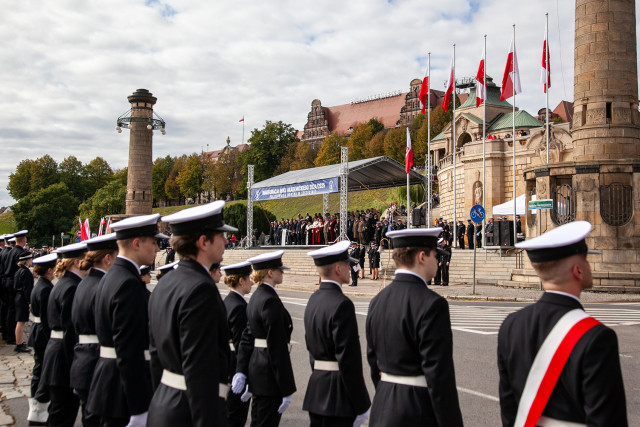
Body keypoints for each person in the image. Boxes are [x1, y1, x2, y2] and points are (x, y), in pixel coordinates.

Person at [498, 221, 628, 426]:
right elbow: (608, 419)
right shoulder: (597, 337)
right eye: (586, 260)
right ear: (578, 270)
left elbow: (509, 410)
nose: (589, 266)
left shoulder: (511, 326)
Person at [147, 201, 235, 427]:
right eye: (221, 235)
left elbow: (156, 357)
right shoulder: (200, 288)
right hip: (191, 411)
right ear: (203, 242)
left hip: (165, 404)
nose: (226, 241)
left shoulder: (167, 284)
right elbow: (200, 369)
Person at [366, 228, 463, 426]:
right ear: (421, 257)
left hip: (383, 405)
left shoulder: (377, 300)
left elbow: (373, 361)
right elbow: (439, 376)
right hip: (417, 410)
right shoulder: (432, 304)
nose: (436, 261)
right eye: (435, 255)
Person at [88, 213, 163, 427]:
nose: (157, 249)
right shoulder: (128, 283)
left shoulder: (111, 276)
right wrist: (138, 407)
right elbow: (128, 350)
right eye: (154, 242)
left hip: (109, 382)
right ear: (137, 243)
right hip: (122, 391)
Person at [303, 241, 371, 427]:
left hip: (317, 389)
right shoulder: (342, 304)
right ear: (338, 269)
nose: (350, 269)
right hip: (338, 397)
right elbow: (348, 360)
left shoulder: (313, 299)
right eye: (347, 265)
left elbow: (311, 347)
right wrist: (361, 404)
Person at [232, 250, 296, 427]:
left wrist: (242, 370)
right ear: (270, 273)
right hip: (268, 374)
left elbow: (246, 338)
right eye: (279, 270)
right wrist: (286, 387)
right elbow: (276, 346)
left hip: (257, 371)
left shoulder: (257, 296)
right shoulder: (269, 300)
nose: (282, 273)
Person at [70, 233, 118, 427]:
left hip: (82, 360)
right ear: (108, 258)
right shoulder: (103, 286)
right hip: (97, 361)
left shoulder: (83, 283)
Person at [40, 242, 88, 427]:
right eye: (85, 259)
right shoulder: (72, 287)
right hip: (63, 358)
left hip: (55, 352)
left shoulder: (64, 283)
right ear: (77, 262)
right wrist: (74, 365)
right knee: (63, 414)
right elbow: (70, 330)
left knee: (59, 412)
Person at [222, 261, 254, 427]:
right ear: (241, 281)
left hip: (226, 370)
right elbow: (242, 345)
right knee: (236, 419)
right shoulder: (240, 307)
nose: (252, 282)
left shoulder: (228, 302)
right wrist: (245, 375)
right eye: (248, 279)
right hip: (235, 372)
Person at [28, 252, 57, 425]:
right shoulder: (45, 288)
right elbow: (47, 319)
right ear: (48, 270)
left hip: (36, 330)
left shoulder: (40, 284)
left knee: (39, 369)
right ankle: (37, 403)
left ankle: (36, 399)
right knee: (40, 371)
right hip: (42, 334)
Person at [1, 230, 29, 345]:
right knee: (12, 311)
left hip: (5, 281)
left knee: (8, 309)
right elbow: (20, 271)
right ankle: (11, 336)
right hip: (12, 282)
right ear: (24, 240)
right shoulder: (19, 253)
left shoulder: (11, 251)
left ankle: (7, 333)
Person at [13, 251, 33, 353]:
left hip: (18, 296)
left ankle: (19, 342)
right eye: (30, 259)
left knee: (20, 322)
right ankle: (19, 344)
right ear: (27, 260)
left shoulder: (19, 270)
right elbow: (27, 289)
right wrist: (30, 302)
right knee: (21, 322)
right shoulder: (25, 272)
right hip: (22, 298)